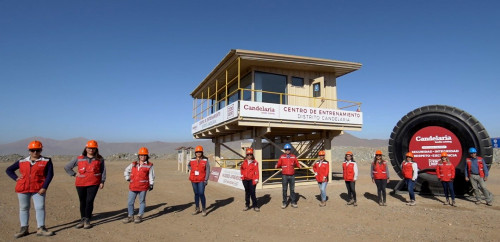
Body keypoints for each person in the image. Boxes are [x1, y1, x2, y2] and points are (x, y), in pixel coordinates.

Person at [5, 140, 55, 238]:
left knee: (40, 207)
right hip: (23, 188)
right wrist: (16, 178)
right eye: (32, 150)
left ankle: (41, 228)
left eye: (37, 150)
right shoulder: (22, 161)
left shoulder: (46, 161)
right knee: (24, 208)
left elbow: (50, 175)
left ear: (41, 150)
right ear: (29, 150)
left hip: (38, 189)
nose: (35, 152)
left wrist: (44, 187)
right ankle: (24, 229)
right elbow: (9, 170)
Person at [64, 140, 106, 229]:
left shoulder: (100, 159)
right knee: (82, 201)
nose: (91, 150)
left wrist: (102, 181)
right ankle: (82, 219)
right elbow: (67, 167)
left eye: (93, 148)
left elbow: (103, 171)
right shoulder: (79, 158)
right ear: (86, 148)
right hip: (80, 183)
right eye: (89, 148)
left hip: (94, 183)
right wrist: (74, 174)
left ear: (96, 149)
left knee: (89, 201)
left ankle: (87, 219)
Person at [122, 147, 155, 224]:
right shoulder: (133, 164)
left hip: (143, 187)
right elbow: (126, 170)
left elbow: (151, 175)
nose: (142, 157)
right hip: (133, 186)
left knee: (142, 201)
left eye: (144, 155)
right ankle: (130, 216)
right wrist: (127, 178)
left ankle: (140, 215)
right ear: (139, 156)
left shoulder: (149, 165)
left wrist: (151, 184)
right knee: (130, 202)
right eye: (141, 155)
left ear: (147, 156)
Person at [276, 143, 301, 209]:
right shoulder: (282, 157)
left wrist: (299, 166)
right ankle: (284, 202)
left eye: (288, 149)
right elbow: (279, 164)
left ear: (290, 150)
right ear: (284, 150)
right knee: (284, 189)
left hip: (292, 175)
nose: (287, 150)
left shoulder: (293, 156)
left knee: (292, 189)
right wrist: (277, 166)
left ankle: (293, 202)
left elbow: (297, 162)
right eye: (286, 149)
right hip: (284, 176)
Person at [189, 145, 210, 216]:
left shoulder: (205, 160)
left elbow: (207, 170)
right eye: (197, 152)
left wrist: (206, 179)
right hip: (193, 179)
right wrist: (192, 170)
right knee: (196, 194)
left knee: (201, 193)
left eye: (200, 152)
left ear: (202, 152)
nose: (198, 153)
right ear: (195, 153)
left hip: (202, 180)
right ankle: (197, 208)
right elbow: (189, 165)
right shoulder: (192, 159)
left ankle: (204, 209)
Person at [240, 148, 260, 212]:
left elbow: (256, 171)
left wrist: (256, 179)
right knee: (247, 192)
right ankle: (247, 205)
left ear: (252, 155)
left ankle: (255, 206)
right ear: (246, 155)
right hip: (245, 180)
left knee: (252, 193)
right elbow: (242, 169)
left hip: (252, 180)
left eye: (250, 154)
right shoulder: (244, 162)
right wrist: (242, 175)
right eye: (248, 155)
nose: (249, 156)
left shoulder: (255, 163)